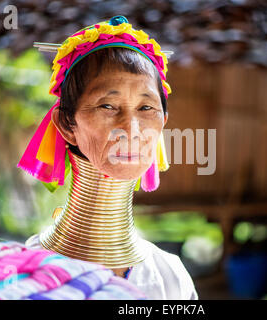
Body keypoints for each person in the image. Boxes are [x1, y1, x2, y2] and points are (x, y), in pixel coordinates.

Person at [18, 16, 198, 300]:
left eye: (146, 107)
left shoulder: (170, 278)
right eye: (108, 105)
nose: (131, 129)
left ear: (163, 121)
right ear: (67, 124)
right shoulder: (25, 275)